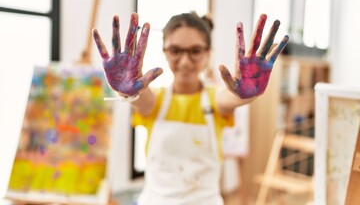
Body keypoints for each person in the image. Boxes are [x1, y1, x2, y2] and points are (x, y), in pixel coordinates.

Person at [92, 12, 289, 205]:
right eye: (175, 51)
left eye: (195, 51)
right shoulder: (156, 101)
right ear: (164, 52)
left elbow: (230, 98)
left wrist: (248, 93)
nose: (185, 61)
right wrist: (126, 90)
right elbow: (141, 98)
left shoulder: (215, 100)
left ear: (208, 53)